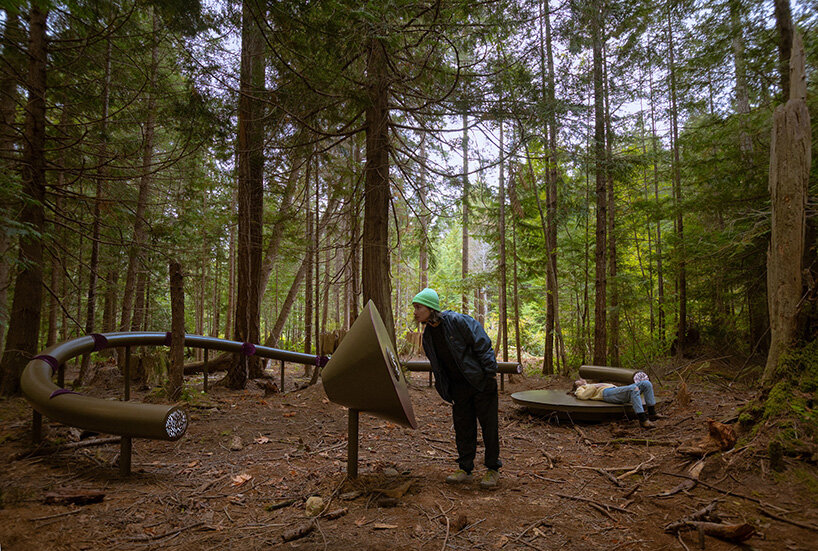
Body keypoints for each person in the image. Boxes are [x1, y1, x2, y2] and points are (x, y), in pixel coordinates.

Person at [412, 287, 502, 489]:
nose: (415, 312)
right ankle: (465, 469)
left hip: (480, 383)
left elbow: (483, 344)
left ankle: (492, 470)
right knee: (463, 428)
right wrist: (446, 389)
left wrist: (489, 375)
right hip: (458, 388)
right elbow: (439, 365)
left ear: (431, 308)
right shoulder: (428, 335)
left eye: (419, 307)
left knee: (489, 428)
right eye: (415, 308)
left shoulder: (458, 321)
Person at [572, 378, 663, 428]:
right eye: (578, 381)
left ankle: (652, 413)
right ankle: (643, 420)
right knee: (634, 389)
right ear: (577, 385)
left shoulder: (590, 384)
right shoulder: (580, 388)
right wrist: (594, 386)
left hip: (615, 391)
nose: (580, 379)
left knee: (647, 383)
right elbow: (582, 396)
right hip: (607, 394)